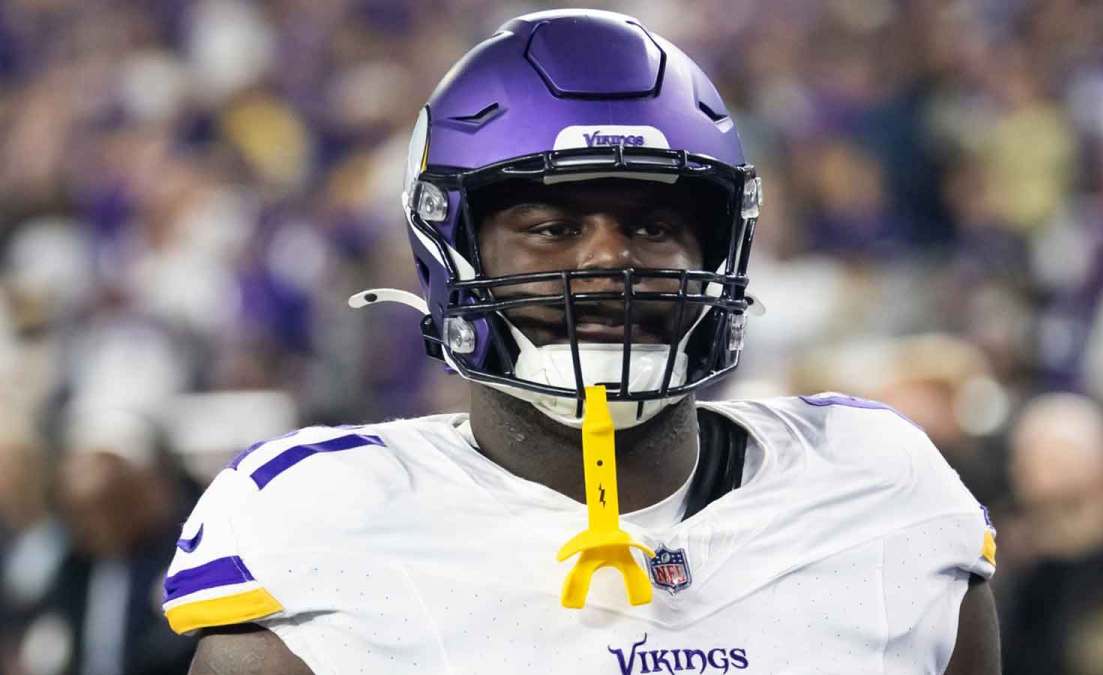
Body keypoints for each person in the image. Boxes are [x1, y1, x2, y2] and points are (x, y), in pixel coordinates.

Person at [163, 10, 1000, 674]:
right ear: (449, 245)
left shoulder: (879, 491)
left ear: (720, 249)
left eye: (655, 223)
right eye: (555, 225)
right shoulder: (321, 525)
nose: (608, 259)